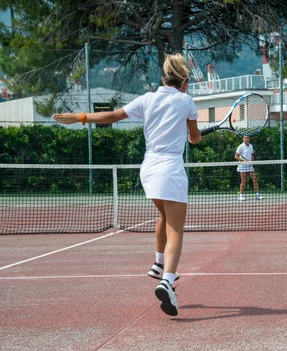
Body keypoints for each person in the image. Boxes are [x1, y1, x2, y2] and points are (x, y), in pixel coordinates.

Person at [52, 53, 201, 316]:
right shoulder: (186, 101)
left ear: (162, 77)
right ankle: (167, 280)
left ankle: (158, 264)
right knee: (176, 229)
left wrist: (80, 117)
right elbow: (195, 137)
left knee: (164, 216)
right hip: (170, 168)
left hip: (149, 170)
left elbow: (111, 116)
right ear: (184, 81)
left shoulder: (147, 99)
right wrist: (193, 136)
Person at [235, 134, 263, 201]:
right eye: (245, 138)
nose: (246, 139)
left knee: (255, 179)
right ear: (243, 139)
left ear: (249, 139)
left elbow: (252, 154)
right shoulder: (240, 146)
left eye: (248, 138)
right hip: (242, 166)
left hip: (250, 166)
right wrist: (243, 160)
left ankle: (257, 195)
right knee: (243, 181)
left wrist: (251, 162)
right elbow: (236, 156)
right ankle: (241, 196)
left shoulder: (251, 146)